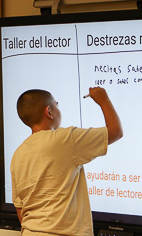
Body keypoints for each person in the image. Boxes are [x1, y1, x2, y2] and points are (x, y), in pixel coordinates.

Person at [10, 87, 123, 236]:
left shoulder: (18, 154)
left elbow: (20, 208)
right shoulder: (64, 139)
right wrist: (103, 100)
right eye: (57, 105)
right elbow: (116, 131)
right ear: (49, 112)